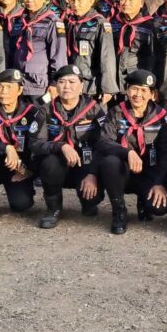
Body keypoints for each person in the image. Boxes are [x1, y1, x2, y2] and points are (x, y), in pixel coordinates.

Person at [97, 69, 167, 235]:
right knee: (110, 162)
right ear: (127, 90)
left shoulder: (162, 117)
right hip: (123, 171)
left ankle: (143, 201)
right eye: (134, 89)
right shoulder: (115, 113)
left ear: (152, 94)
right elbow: (103, 142)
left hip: (149, 173)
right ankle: (119, 210)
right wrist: (127, 152)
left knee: (161, 207)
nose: (138, 94)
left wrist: (160, 182)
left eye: (143, 90)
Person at [31, 64, 107, 228]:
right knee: (49, 162)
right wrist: (61, 147)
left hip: (85, 164)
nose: (66, 86)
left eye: (72, 82)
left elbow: (104, 143)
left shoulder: (94, 109)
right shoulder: (46, 109)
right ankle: (53, 208)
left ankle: (87, 201)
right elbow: (35, 142)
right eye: (62, 82)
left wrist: (93, 173)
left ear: (81, 86)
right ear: (56, 86)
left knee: (91, 202)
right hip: (58, 164)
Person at [0, 68, 47, 229]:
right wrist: (6, 148)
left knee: (22, 204)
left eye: (9, 87)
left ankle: (22, 190)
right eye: (0, 87)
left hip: (19, 169)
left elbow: (38, 146)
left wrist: (29, 171)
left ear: (19, 90)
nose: (4, 92)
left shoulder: (32, 113)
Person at [10, 0, 67, 103]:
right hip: (18, 83)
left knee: (40, 114)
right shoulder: (18, 20)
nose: (29, 0)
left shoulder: (53, 21)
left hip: (40, 85)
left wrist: (55, 82)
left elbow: (59, 54)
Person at [63, 0, 117, 103]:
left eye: (80, 0)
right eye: (72, 0)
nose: (76, 4)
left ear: (91, 1)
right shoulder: (68, 23)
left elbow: (107, 57)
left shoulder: (100, 23)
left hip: (92, 86)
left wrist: (107, 89)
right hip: (70, 84)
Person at [110, 0, 156, 98]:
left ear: (141, 3)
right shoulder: (111, 23)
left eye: (131, 0)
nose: (126, 3)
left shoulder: (150, 25)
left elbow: (154, 58)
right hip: (113, 82)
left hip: (137, 84)